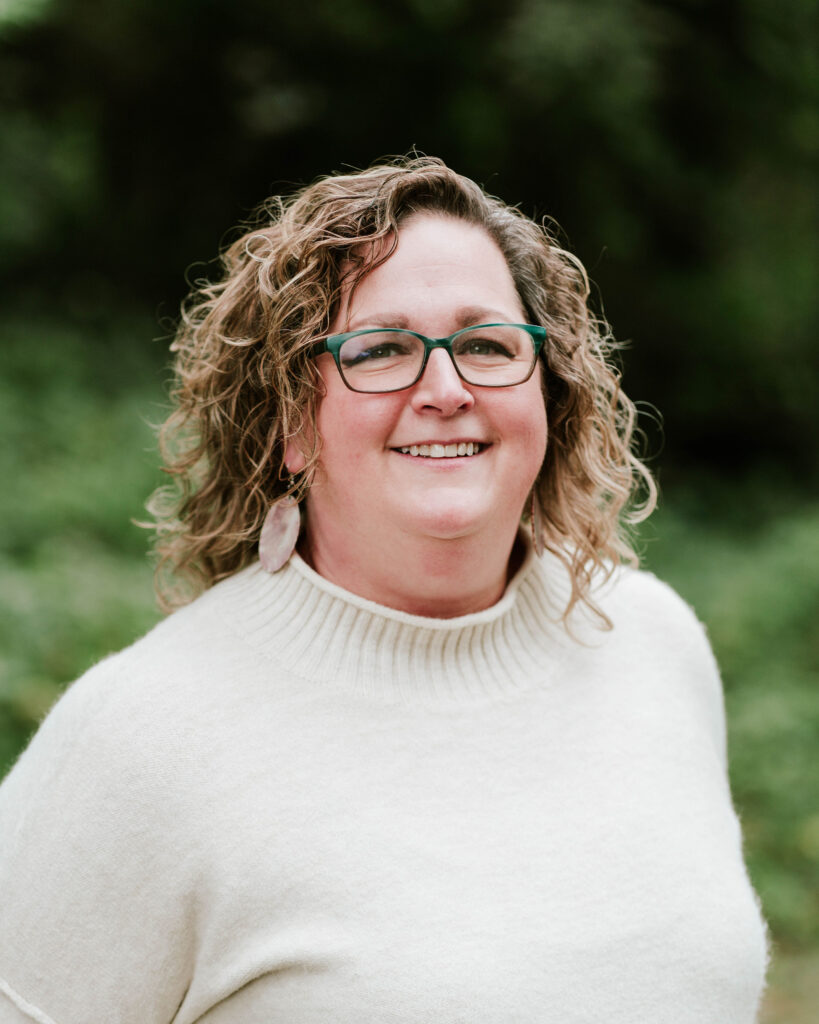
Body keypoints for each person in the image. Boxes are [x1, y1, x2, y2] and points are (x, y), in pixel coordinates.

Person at [0, 157, 767, 1023]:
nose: (445, 390)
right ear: (292, 422)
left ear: (549, 394)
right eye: (379, 350)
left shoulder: (651, 644)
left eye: (485, 345)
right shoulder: (140, 740)